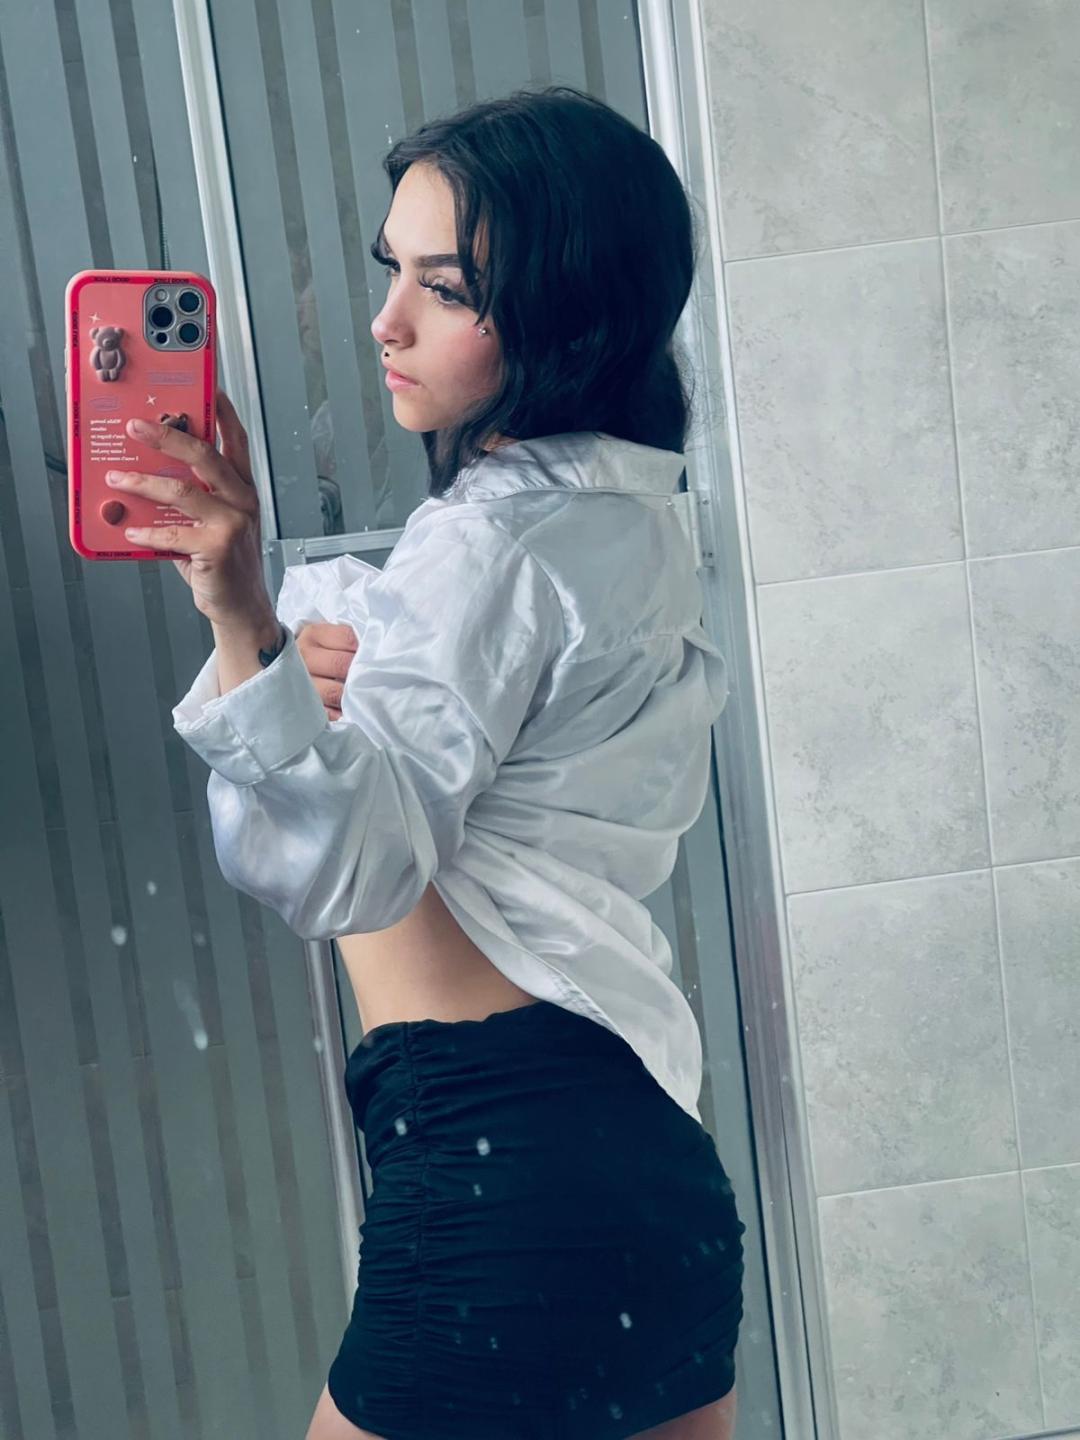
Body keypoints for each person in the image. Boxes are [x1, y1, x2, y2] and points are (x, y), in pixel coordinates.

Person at [158, 84, 744, 1440]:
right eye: (392, 271)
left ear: (567, 311)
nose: (388, 321)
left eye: (447, 288)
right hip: (642, 1160)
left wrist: (242, 619)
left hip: (501, 1166)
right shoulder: (631, 523)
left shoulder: (493, 548)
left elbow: (344, 873)